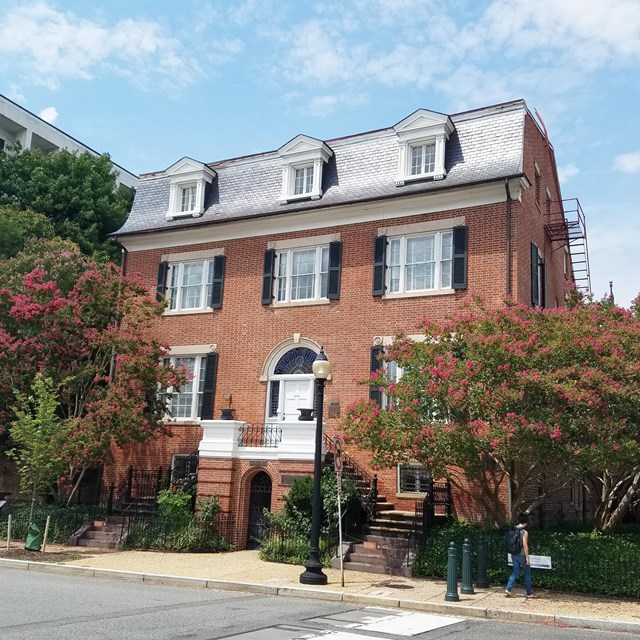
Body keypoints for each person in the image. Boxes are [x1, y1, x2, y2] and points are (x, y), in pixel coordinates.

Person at [505, 512, 535, 598]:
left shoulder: (513, 529)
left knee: (515, 572)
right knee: (527, 574)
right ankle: (529, 593)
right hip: (522, 555)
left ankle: (508, 588)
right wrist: (527, 558)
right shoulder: (524, 532)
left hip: (514, 554)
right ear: (526, 522)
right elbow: (525, 545)